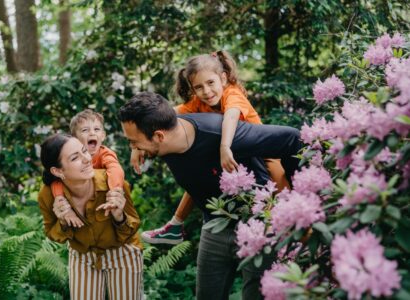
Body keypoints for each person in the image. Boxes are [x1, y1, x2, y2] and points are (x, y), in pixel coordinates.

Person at [119, 92, 302, 300]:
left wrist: (299, 200)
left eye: (133, 142)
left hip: (257, 225)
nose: (132, 147)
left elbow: (291, 138)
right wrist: (138, 146)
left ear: (159, 136)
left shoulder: (219, 134)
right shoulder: (162, 139)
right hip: (214, 226)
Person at [133, 51, 289, 245]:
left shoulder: (232, 93)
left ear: (222, 78)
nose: (206, 91)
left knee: (280, 188)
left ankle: (293, 228)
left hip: (262, 152)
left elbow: (231, 116)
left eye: (210, 83)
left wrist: (225, 146)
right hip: (235, 156)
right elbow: (166, 117)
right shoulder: (199, 102)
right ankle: (175, 225)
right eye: (198, 87)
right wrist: (137, 144)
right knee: (198, 175)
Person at [38, 134, 143, 300]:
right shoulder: (47, 196)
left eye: (84, 151)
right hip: (82, 257)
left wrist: (119, 216)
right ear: (57, 171)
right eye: (75, 158)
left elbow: (131, 230)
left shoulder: (114, 184)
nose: (87, 159)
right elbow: (52, 233)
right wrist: (63, 221)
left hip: (123, 251)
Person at [49, 109, 126, 228]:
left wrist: (115, 191)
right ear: (74, 138)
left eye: (96, 129)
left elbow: (115, 169)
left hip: (101, 202)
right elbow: (56, 179)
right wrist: (59, 198)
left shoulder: (105, 154)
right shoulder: (68, 159)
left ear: (103, 135)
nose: (92, 133)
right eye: (85, 130)